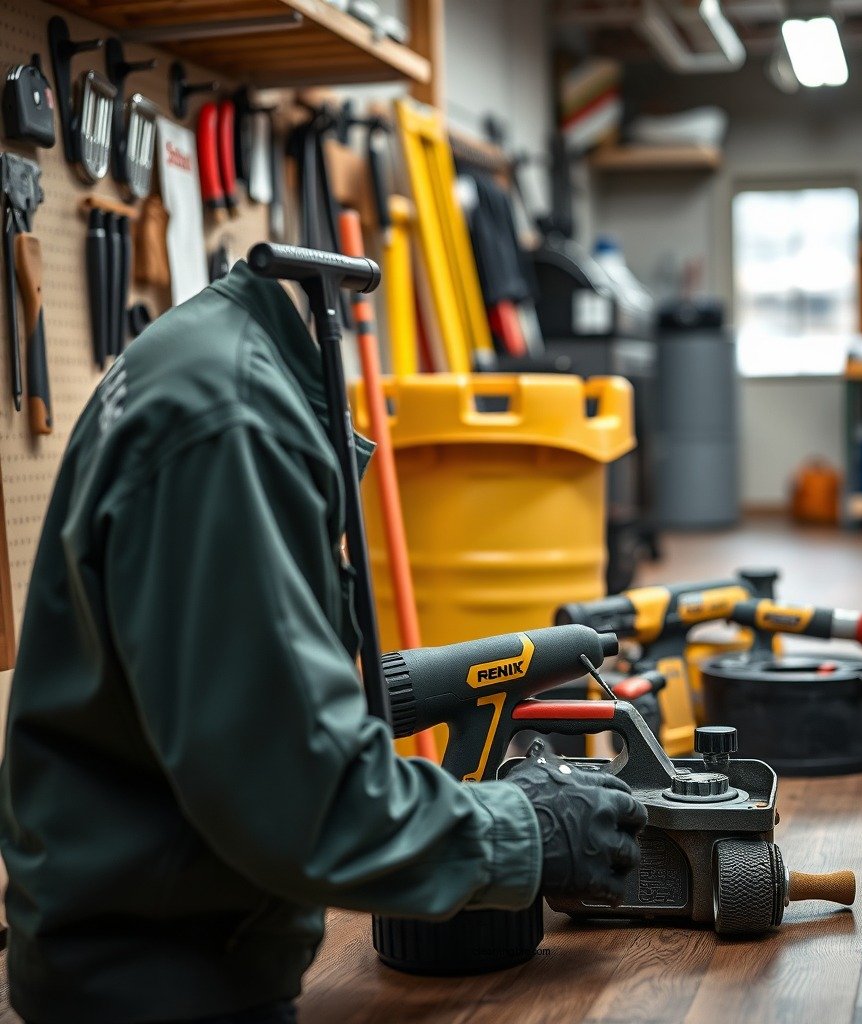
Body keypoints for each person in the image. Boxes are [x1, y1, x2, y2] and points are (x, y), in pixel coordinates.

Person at [0, 262, 646, 1024]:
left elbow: (219, 682)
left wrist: (346, 700)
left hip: (146, 927)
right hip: (157, 983)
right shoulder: (233, 430)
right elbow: (301, 799)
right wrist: (527, 827)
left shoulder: (197, 355)